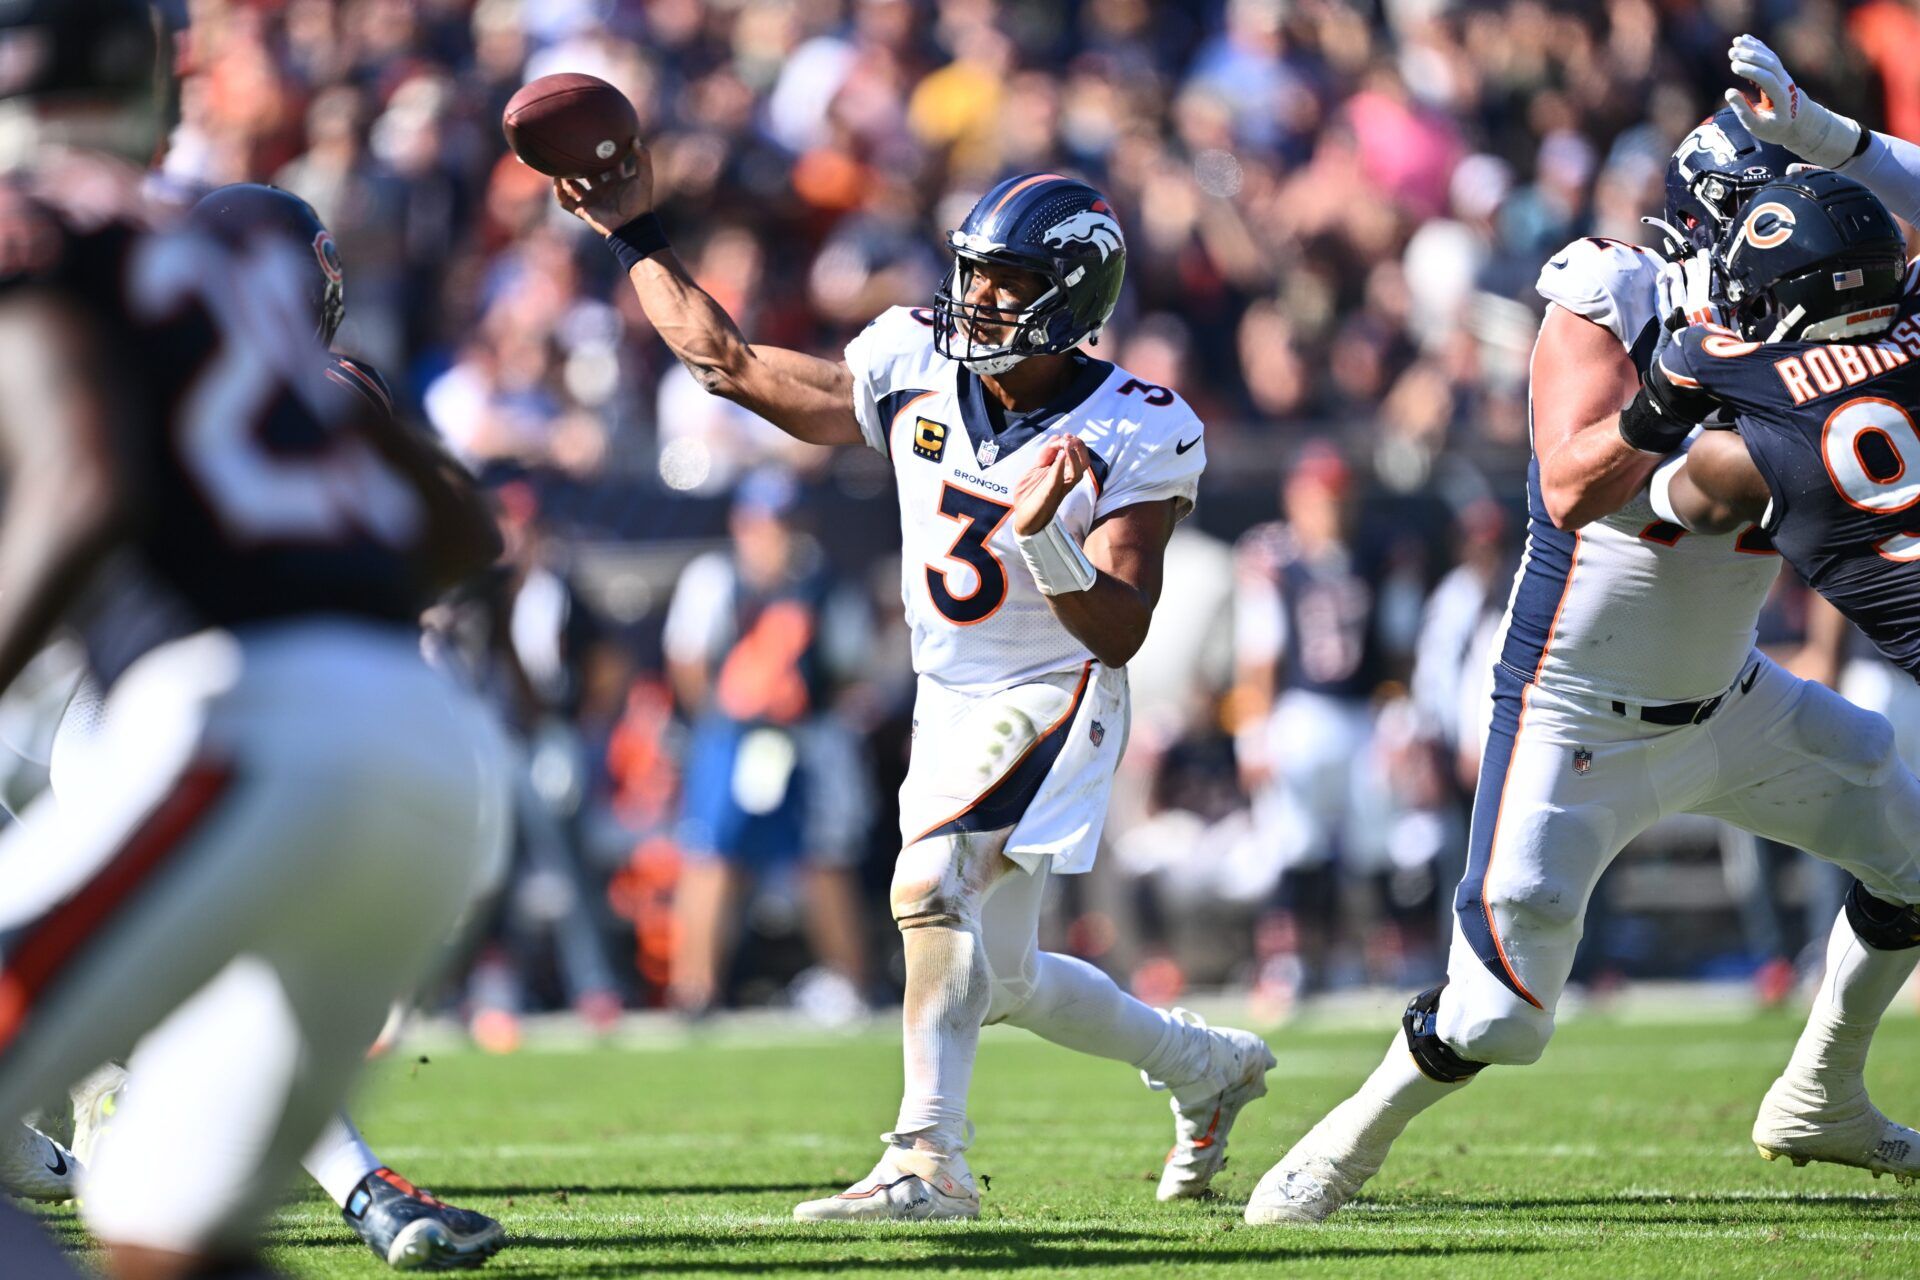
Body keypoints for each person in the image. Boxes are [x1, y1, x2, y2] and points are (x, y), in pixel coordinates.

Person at [1246, 37, 1920, 1226]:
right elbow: (1566, 485)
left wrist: (1832, 137)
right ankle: (1350, 1133)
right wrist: (1674, 402)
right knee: (1498, 1015)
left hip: (1734, 695)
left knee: (1912, 851)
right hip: (1574, 709)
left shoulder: (1832, 307)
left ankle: (1822, 1093)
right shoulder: (1617, 292)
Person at [556, 157, 1274, 1220]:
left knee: (929, 882)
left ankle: (927, 1157)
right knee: (1007, 976)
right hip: (950, 696)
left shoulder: (1135, 423)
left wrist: (1050, 545)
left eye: (1006, 280)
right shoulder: (910, 358)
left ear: (1070, 296)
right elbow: (729, 363)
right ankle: (1205, 1064)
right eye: (973, 273)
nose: (976, 298)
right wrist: (632, 234)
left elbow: (1120, 627)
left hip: (1055, 684)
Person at [0, 5, 509, 1277]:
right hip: (424, 757)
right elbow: (460, 528)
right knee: (173, 1225)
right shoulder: (233, 277)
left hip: (237, 724)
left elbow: (85, 481)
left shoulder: (46, 227)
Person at [660, 468, 874, 1017]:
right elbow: (687, 660)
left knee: (824, 859)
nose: (770, 535)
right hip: (733, 735)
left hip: (806, 736)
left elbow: (850, 668)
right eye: (761, 523)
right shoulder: (714, 578)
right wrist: (719, 719)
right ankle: (693, 988)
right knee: (711, 855)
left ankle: (850, 982)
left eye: (780, 523)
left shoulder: (824, 583)